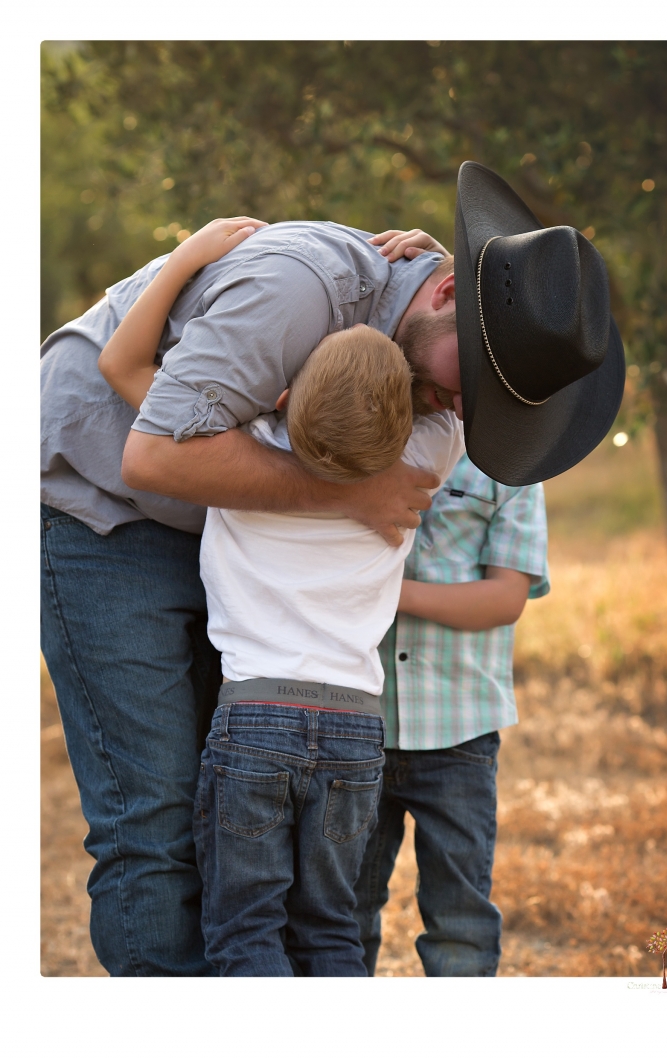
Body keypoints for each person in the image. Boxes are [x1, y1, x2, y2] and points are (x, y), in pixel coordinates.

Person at [41, 160, 624, 976]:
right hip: (101, 498)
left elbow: (153, 382)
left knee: (239, 886)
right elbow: (154, 456)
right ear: (448, 295)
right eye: (477, 384)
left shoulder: (421, 388)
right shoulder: (298, 296)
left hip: (237, 599)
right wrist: (344, 489)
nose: (466, 414)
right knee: (168, 826)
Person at [97, 217, 464, 975]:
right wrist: (434, 268)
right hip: (358, 730)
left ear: (286, 394)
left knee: (245, 932)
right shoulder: (426, 458)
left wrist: (188, 257)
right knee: (332, 929)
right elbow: (440, 386)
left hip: (257, 721)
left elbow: (120, 365)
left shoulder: (248, 455)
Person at [353, 453, 550, 976]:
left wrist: (391, 594)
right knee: (344, 909)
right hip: (357, 725)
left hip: (460, 729)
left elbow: (506, 597)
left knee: (459, 915)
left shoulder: (515, 467)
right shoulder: (361, 442)